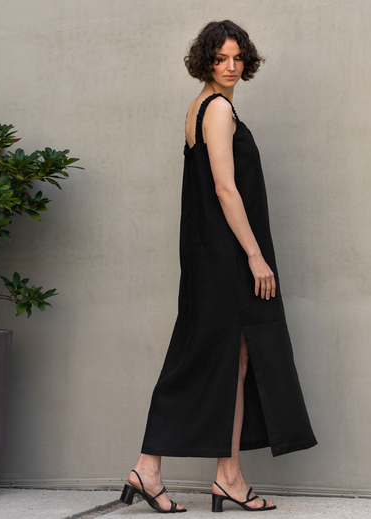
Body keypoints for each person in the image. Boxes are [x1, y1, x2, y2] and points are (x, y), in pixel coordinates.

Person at [120, 19, 317, 514]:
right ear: (205, 61)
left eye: (237, 58)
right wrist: (255, 256)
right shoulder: (218, 111)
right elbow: (226, 190)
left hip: (208, 255)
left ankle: (225, 476)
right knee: (206, 359)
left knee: (231, 358)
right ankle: (151, 467)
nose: (231, 67)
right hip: (228, 258)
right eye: (221, 59)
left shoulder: (198, 108)